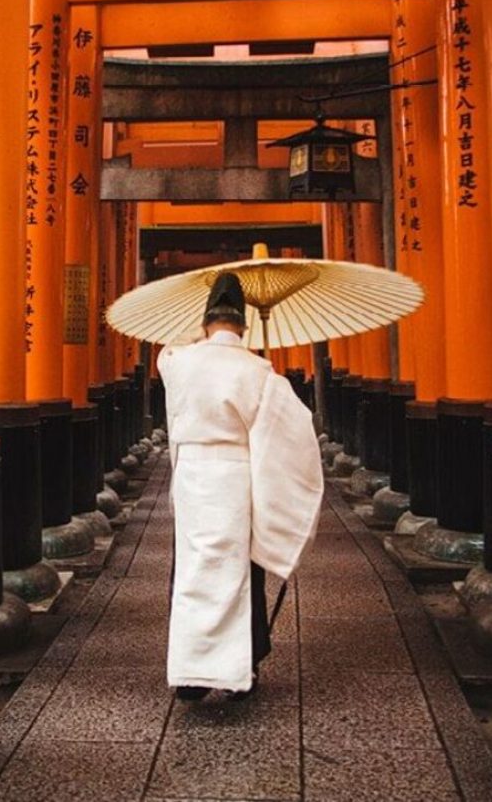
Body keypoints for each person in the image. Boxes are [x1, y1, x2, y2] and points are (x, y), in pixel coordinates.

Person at [157, 272, 324, 701]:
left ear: (204, 321)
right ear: (244, 325)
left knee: (192, 570)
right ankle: (241, 667)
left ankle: (191, 674)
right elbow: (290, 431)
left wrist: (199, 337)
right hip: (235, 477)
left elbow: (169, 351)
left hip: (192, 477)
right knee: (241, 570)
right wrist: (268, 379)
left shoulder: (177, 362)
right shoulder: (258, 371)